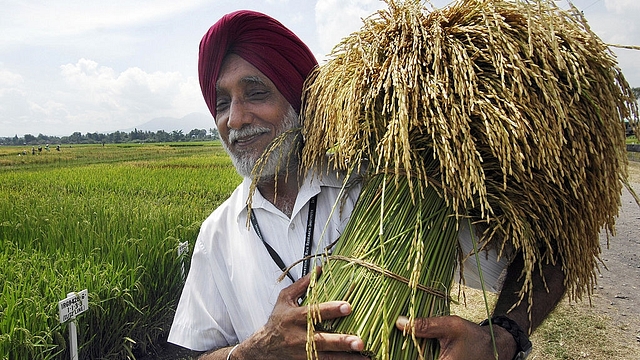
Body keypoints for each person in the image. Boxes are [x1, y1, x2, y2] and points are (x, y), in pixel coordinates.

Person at [168, 10, 566, 360]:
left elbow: (550, 254)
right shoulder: (217, 234)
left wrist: (503, 336)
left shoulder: (387, 185)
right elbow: (197, 354)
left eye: (255, 92)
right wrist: (250, 353)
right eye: (222, 103)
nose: (235, 120)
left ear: (298, 99)